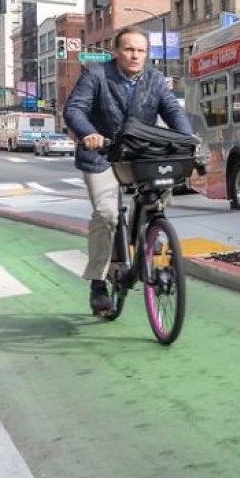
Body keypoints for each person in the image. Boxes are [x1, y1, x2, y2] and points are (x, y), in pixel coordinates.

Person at [64, 26, 192, 314]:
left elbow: (173, 111)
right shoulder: (96, 74)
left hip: (138, 155)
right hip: (102, 154)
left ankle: (144, 234)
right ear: (117, 51)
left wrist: (187, 139)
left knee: (156, 197)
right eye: (129, 49)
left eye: (140, 50)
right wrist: (89, 134)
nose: (135, 55)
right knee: (107, 214)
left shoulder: (155, 79)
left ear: (147, 54)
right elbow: (74, 109)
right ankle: (98, 280)